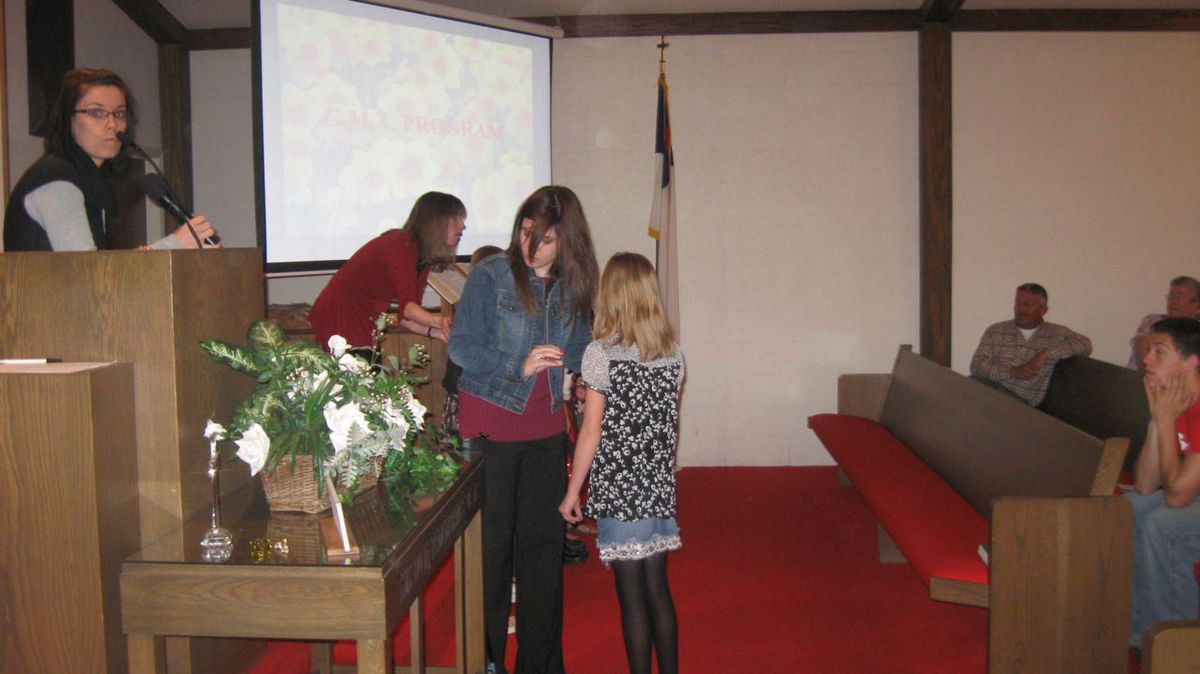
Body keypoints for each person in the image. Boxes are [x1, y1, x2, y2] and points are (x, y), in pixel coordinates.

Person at [449, 185, 598, 674]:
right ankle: (486, 659)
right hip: (491, 429)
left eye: (547, 239)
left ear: (567, 242)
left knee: (541, 554)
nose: (532, 246)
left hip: (544, 433)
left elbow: (577, 350)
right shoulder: (491, 275)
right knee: (492, 557)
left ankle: (540, 664)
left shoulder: (573, 285)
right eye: (526, 231)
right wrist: (520, 364)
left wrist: (602, 362)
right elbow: (462, 349)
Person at [559, 252, 684, 674]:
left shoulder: (601, 354)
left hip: (620, 487)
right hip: (657, 485)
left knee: (631, 598)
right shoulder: (673, 355)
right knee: (658, 591)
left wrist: (573, 491)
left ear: (611, 296)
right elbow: (668, 425)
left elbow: (590, 430)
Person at [3, 67, 219, 252]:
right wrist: (174, 244)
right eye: (97, 113)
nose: (112, 125)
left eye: (119, 114)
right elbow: (87, 270)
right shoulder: (57, 180)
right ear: (68, 119)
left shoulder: (89, 178)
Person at [308, 191, 466, 351]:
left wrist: (436, 332)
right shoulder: (401, 245)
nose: (463, 226)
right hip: (341, 314)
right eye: (456, 218)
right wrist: (438, 321)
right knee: (360, 372)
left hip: (360, 317)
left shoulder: (421, 255)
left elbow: (407, 316)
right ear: (436, 222)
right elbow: (409, 310)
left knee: (366, 370)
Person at [1126, 317, 1200, 649]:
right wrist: (1158, 419)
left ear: (1190, 363)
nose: (1146, 359)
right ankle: (1140, 629)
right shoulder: (1175, 398)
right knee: (1130, 508)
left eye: (1160, 352)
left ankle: (1177, 650)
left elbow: (1177, 498)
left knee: (1165, 524)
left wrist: (1166, 420)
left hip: (1188, 499)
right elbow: (1144, 485)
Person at [969, 282, 1092, 406]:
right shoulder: (996, 331)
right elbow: (976, 365)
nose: (1021, 309)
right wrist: (1014, 371)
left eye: (1027, 305)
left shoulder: (1056, 334)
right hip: (988, 392)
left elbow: (1085, 344)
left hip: (1021, 404)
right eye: (1018, 303)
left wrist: (1045, 354)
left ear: (1043, 310)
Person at [1128, 276, 1200, 369]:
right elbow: (1144, 361)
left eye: (1179, 296)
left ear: (1195, 303)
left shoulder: (1196, 332)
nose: (1173, 301)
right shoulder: (1152, 321)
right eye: (1171, 296)